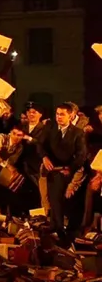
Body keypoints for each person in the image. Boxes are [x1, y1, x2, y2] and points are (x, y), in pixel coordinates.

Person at [37, 103, 88, 245]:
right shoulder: (50, 128)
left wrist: (70, 169)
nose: (59, 117)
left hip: (68, 169)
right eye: (57, 114)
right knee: (53, 199)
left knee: (60, 200)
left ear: (70, 116)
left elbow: (81, 155)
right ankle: (57, 227)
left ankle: (60, 229)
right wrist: (45, 157)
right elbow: (40, 145)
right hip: (52, 169)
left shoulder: (78, 133)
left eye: (62, 114)